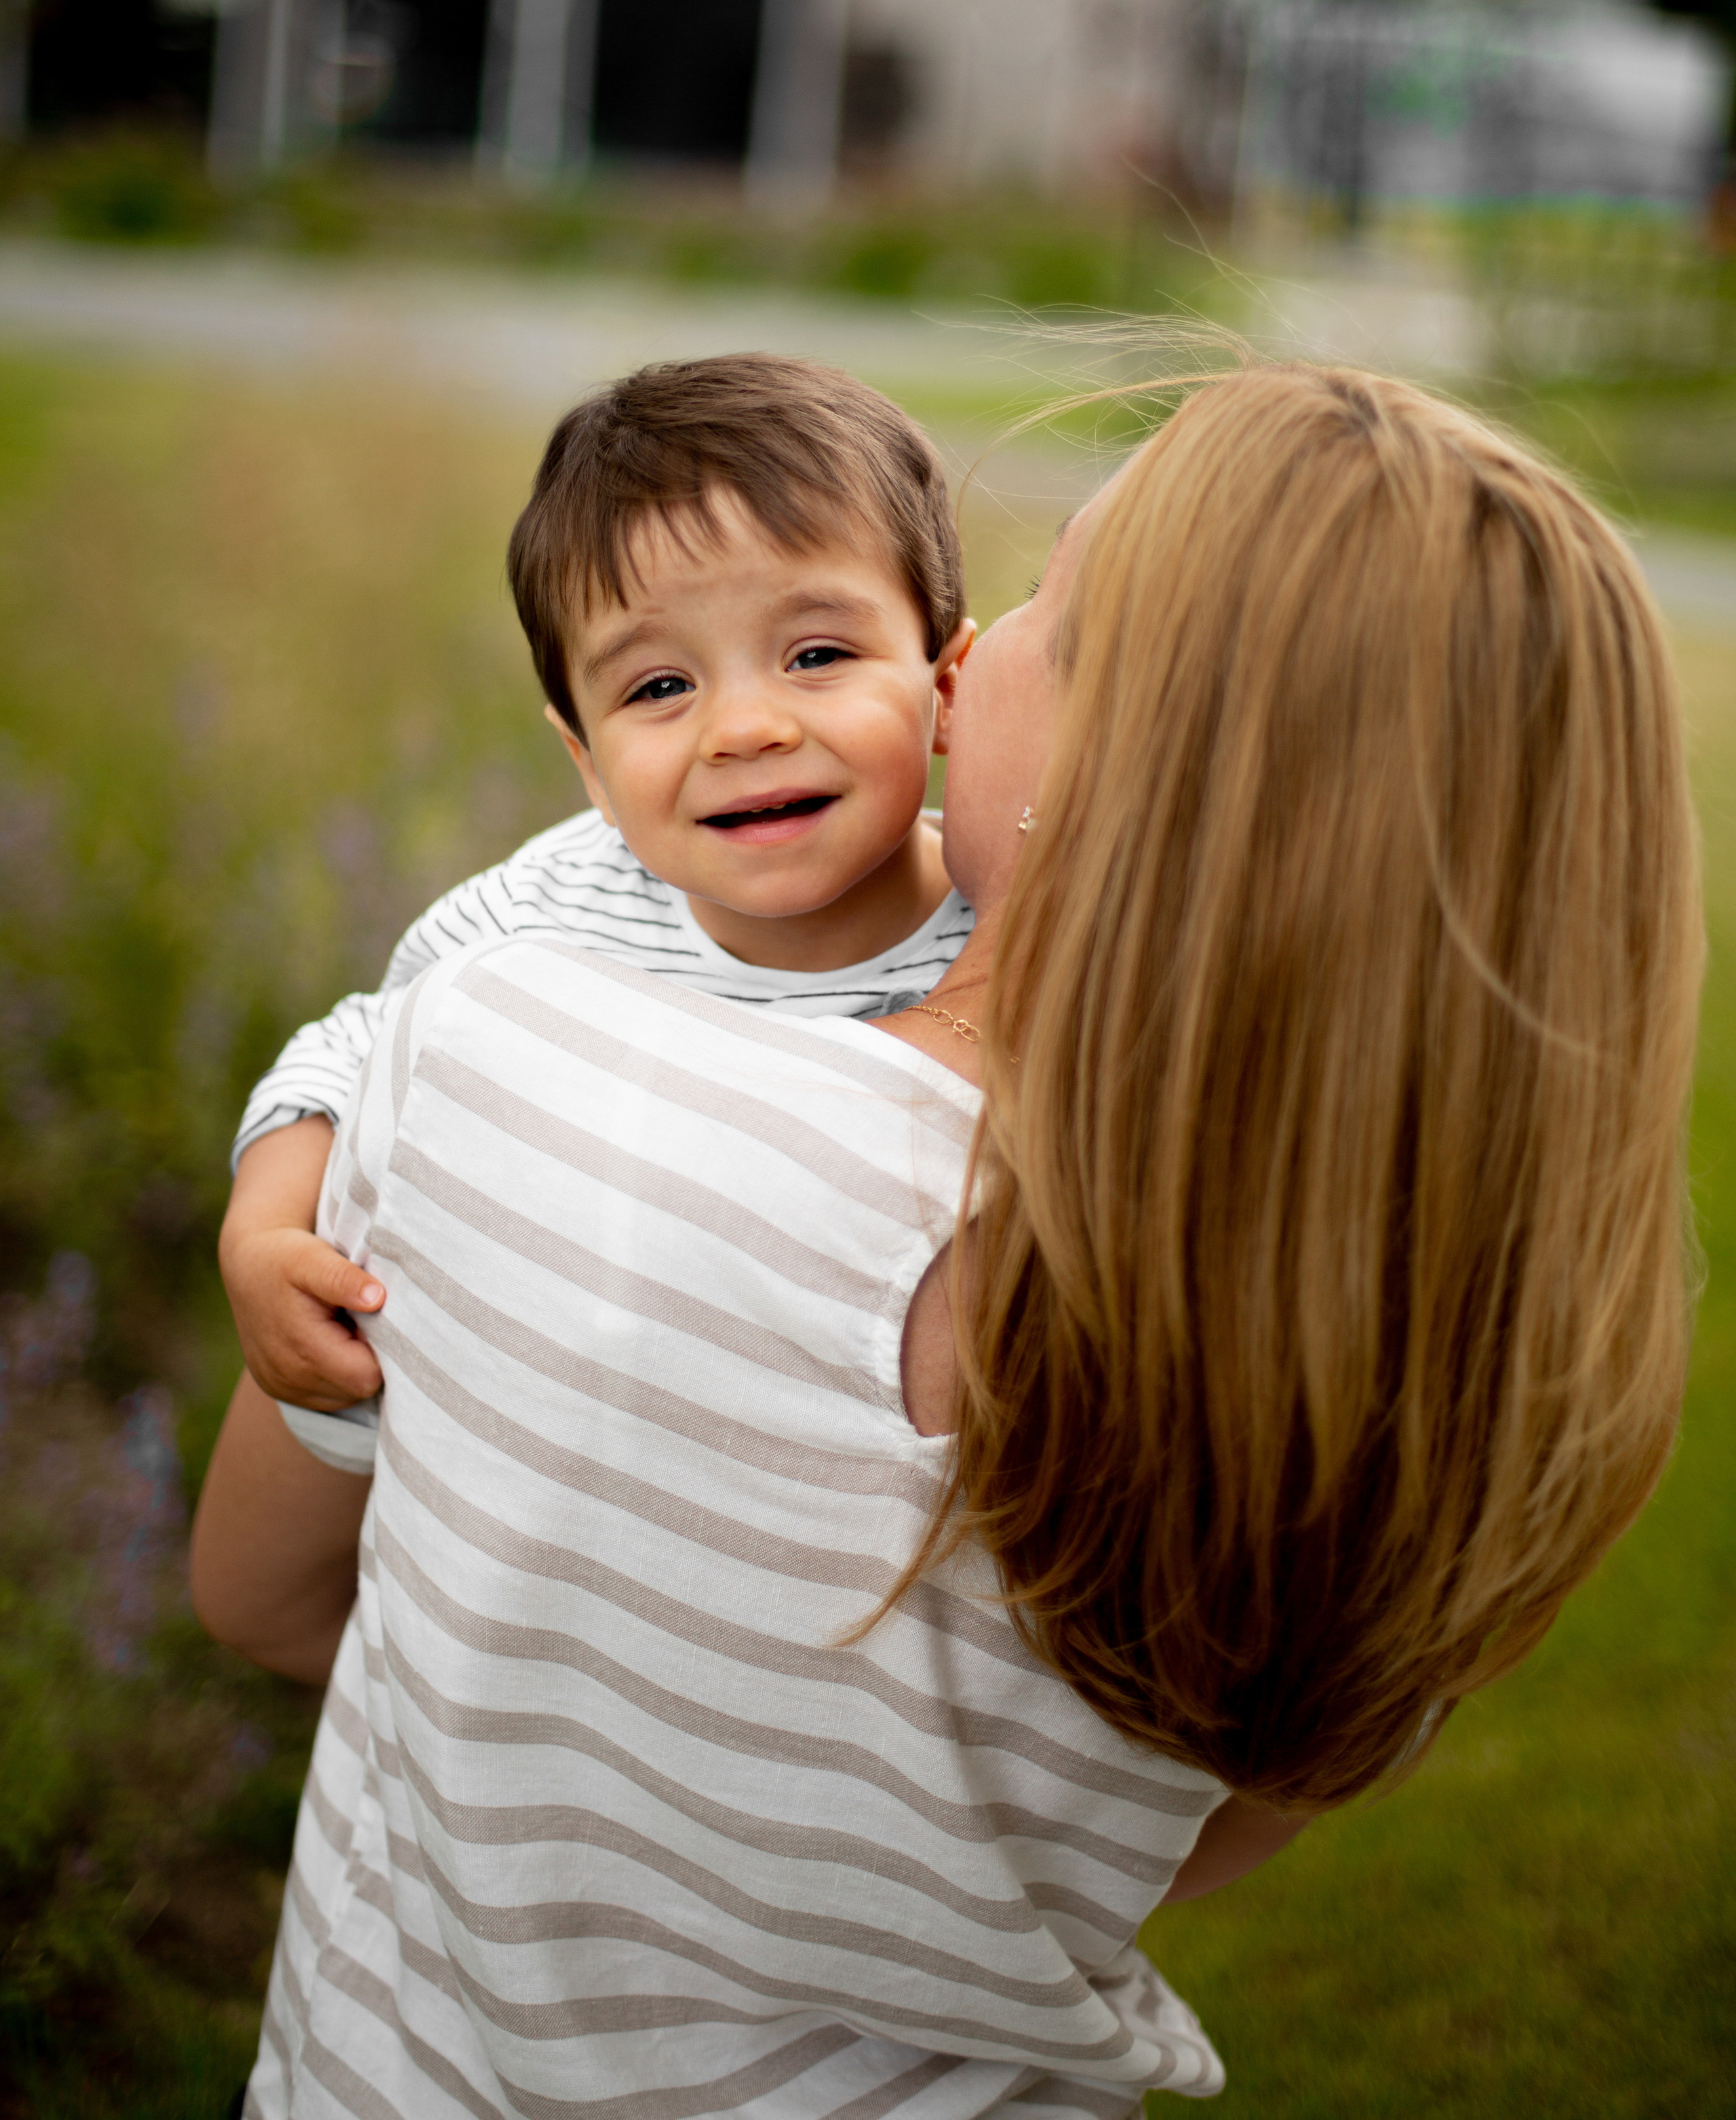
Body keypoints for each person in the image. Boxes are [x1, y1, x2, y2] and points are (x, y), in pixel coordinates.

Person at [192, 364, 1701, 2120]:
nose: (974, 648)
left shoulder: (516, 1062)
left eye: (1051, 605)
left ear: (1141, 767)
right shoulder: (1397, 1383)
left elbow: (267, 1595)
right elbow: (1191, 1829)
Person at [222, 355, 977, 1411]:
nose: (748, 729)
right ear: (586, 763)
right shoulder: (546, 914)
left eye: (815, 655)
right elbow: (349, 1053)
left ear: (947, 685)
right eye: (661, 686)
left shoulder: (1001, 944)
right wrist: (262, 1235)